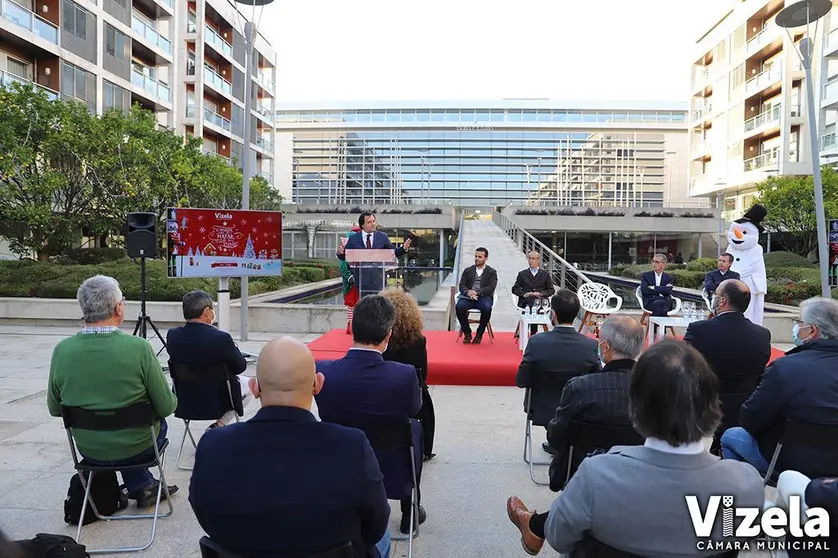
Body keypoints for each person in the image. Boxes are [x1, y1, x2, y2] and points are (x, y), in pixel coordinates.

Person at [506, 340, 764, 556]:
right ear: (712, 405)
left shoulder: (597, 475)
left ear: (636, 408)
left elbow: (560, 538)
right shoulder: (746, 484)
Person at [189, 336, 391, 558]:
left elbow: (206, 518)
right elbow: (375, 528)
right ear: (318, 384)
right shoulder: (352, 446)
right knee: (383, 538)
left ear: (255, 388)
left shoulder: (213, 446)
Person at [47, 275, 178, 508]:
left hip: (90, 450)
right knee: (156, 423)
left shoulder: (62, 351)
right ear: (118, 308)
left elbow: (55, 408)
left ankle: (142, 484)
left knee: (127, 428)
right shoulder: (139, 348)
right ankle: (142, 484)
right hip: (139, 448)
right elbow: (167, 406)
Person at [316, 295, 426, 535]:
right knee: (415, 428)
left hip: (339, 463)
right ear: (388, 335)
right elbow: (414, 409)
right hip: (392, 467)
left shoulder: (323, 370)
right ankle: (410, 506)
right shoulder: (404, 375)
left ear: (353, 328)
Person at [721, 297, 838, 480]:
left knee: (730, 436)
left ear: (812, 331)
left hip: (786, 462)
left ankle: (742, 497)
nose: (796, 327)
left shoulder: (784, 368)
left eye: (799, 322)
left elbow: (749, 419)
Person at [545, 315, 644, 490]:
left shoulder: (581, 387)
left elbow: (556, 437)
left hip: (585, 476)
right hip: (638, 475)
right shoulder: (657, 388)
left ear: (605, 347)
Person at [683, 279, 771, 447]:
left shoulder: (699, 330)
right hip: (744, 410)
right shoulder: (762, 334)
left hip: (702, 409)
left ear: (722, 300)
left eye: (716, 295)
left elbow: (682, 365)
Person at [516, 289, 600, 458]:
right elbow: (597, 379)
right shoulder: (590, 345)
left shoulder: (536, 342)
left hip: (542, 407)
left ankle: (557, 440)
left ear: (553, 314)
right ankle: (563, 441)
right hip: (579, 408)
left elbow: (522, 380)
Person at [166, 290, 253, 430]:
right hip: (218, 401)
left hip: (185, 401)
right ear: (207, 311)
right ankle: (220, 424)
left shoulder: (173, 336)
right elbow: (240, 367)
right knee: (251, 384)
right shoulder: (221, 338)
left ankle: (218, 426)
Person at [380, 287, 437, 461]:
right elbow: (423, 374)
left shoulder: (379, 341)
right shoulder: (419, 341)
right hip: (411, 397)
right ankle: (426, 448)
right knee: (425, 398)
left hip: (383, 395)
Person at [337, 211, 412, 297]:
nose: (373, 224)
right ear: (362, 225)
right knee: (365, 307)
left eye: (373, 221)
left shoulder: (382, 237)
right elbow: (346, 256)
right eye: (369, 222)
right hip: (362, 282)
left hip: (378, 281)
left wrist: (403, 248)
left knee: (379, 307)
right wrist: (341, 253)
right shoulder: (354, 238)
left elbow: (393, 252)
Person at [456, 247, 498, 344]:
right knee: (459, 307)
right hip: (468, 297)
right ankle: (467, 333)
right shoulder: (468, 270)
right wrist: (468, 292)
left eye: (479, 257)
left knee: (487, 308)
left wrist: (477, 292)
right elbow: (462, 285)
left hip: (483, 297)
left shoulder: (492, 272)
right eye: (475, 256)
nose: (476, 258)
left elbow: (491, 287)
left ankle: (479, 334)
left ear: (486, 258)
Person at [511, 251, 556, 338]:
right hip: (525, 301)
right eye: (529, 258)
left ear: (538, 260)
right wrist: (525, 294)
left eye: (533, 259)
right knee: (531, 305)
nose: (531, 261)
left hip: (541, 302)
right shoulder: (522, 274)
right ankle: (533, 335)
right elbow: (514, 289)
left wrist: (541, 293)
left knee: (533, 305)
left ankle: (524, 331)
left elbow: (551, 290)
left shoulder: (545, 274)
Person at [340, 225, 362, 334]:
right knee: (351, 304)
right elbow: (343, 266)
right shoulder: (345, 249)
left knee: (358, 304)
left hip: (361, 282)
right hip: (351, 283)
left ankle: (354, 325)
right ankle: (351, 324)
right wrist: (350, 277)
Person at [639, 253, 674, 317]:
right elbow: (644, 290)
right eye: (653, 261)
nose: (654, 264)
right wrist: (662, 289)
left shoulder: (669, 278)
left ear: (663, 265)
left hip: (665, 302)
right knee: (659, 304)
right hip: (650, 302)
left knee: (660, 304)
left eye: (657, 262)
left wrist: (654, 288)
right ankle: (662, 326)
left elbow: (668, 291)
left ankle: (654, 326)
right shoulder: (646, 276)